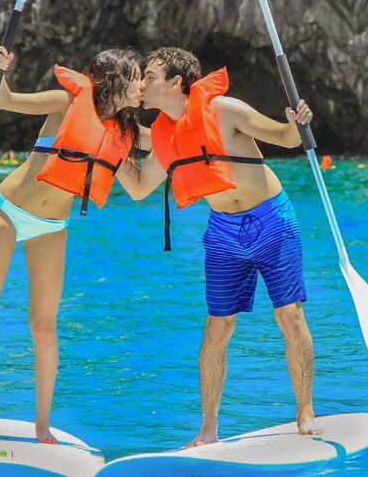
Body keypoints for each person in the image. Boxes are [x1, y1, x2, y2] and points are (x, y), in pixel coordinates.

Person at [0, 44, 144, 444]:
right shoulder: (66, 101)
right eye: (137, 77)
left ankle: (42, 424)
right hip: (7, 209)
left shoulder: (121, 133)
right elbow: (5, 99)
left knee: (45, 327)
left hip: (51, 226)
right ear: (117, 78)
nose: (142, 86)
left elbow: (154, 161)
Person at [114, 47, 318, 447]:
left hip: (271, 220)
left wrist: (298, 121)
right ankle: (208, 428)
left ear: (176, 83)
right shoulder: (164, 136)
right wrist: (110, 150)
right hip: (223, 230)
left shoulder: (224, 109)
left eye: (150, 76)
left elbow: (284, 136)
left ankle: (305, 409)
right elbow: (138, 188)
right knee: (217, 327)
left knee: (289, 316)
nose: (142, 84)